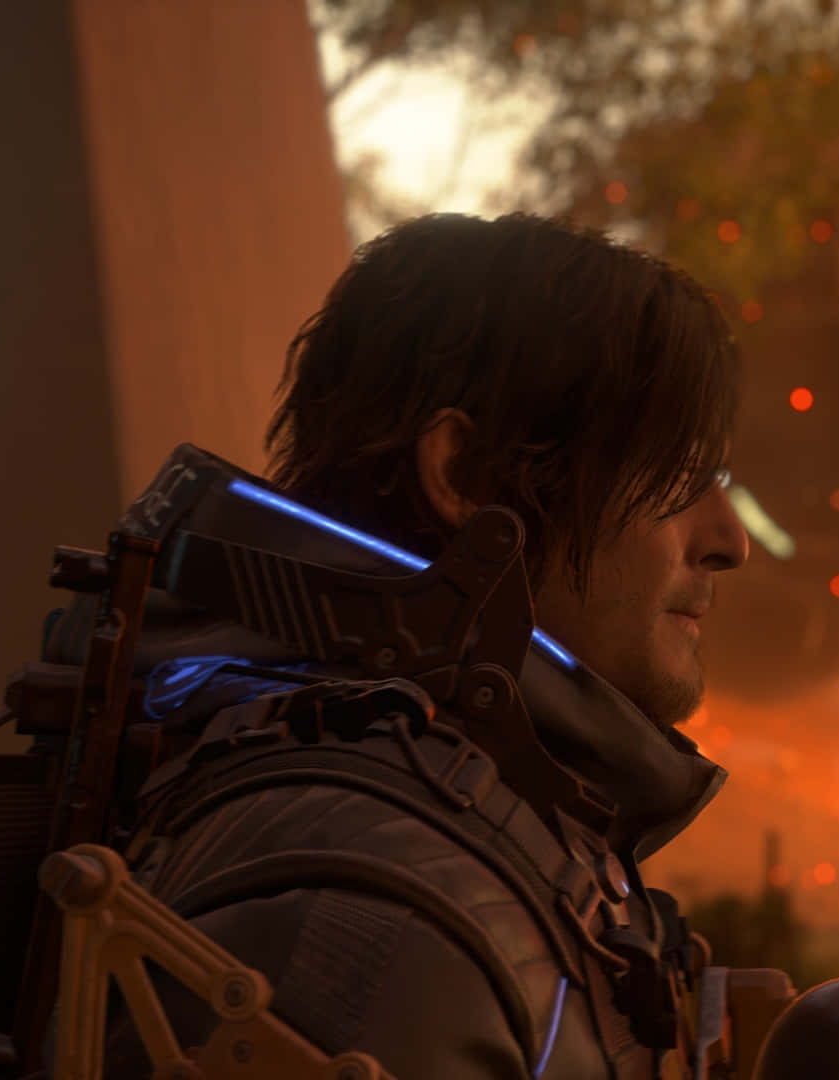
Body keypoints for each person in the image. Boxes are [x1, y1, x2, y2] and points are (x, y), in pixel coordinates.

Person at [66, 212, 751, 1079]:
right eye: (677, 478)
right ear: (468, 476)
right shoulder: (377, 908)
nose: (730, 541)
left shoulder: (458, 826)